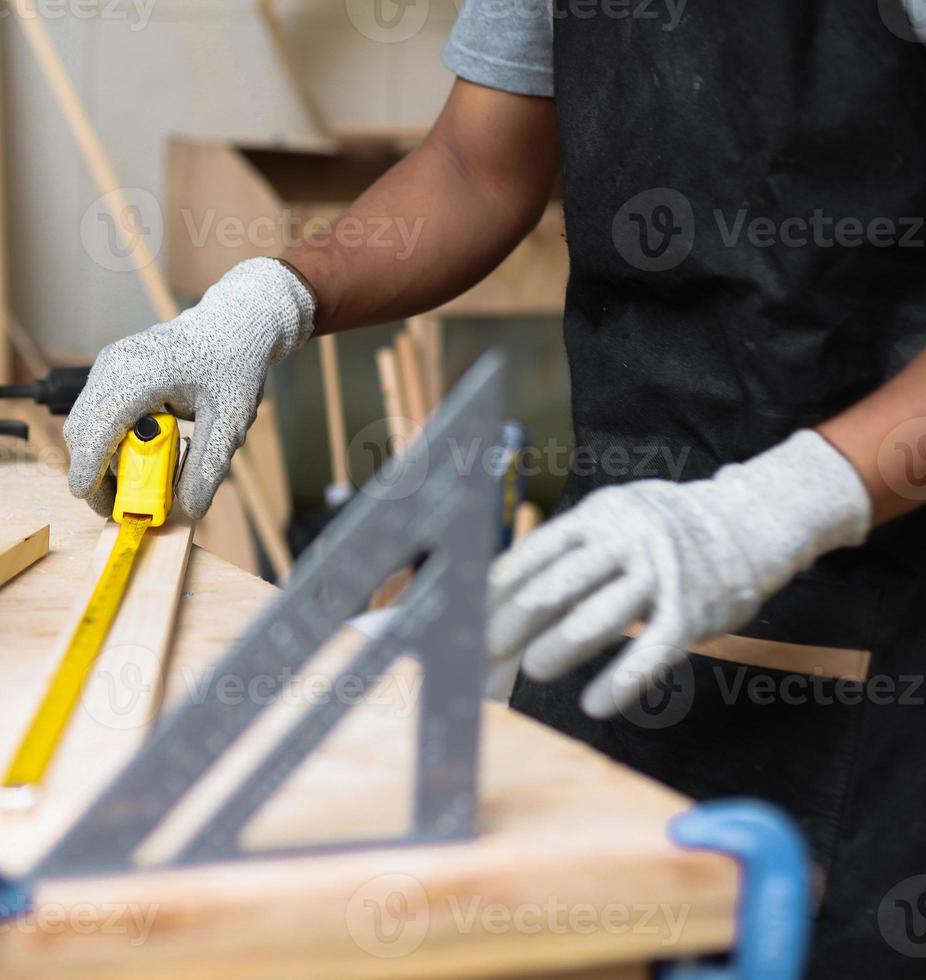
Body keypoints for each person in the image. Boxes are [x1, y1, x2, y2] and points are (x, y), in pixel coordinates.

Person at [62, 1, 926, 972]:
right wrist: (268, 299)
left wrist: (785, 502)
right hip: (610, 573)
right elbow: (477, 165)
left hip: (883, 614)